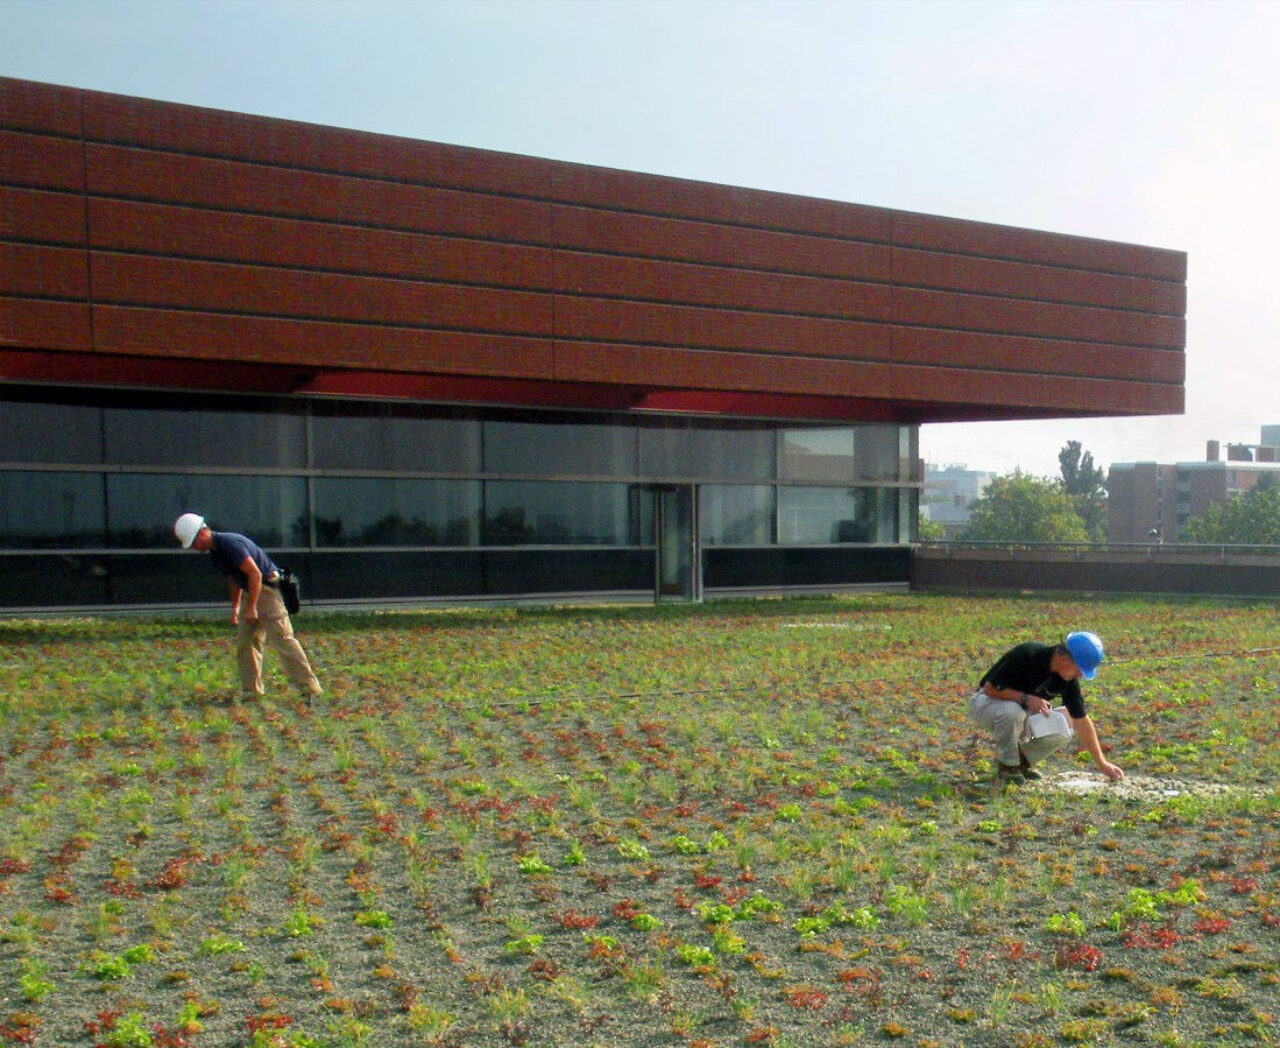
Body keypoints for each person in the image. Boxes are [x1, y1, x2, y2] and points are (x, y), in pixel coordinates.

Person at [174, 513, 322, 702]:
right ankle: (251, 692)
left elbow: (256, 574)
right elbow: (234, 580)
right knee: (247, 643)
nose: (194, 548)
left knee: (283, 639)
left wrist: (252, 608)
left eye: (194, 543)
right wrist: (236, 607)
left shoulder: (229, 545)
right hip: (250, 592)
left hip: (266, 590)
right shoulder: (216, 554)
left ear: (202, 532)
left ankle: (310, 688)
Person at [969, 631, 1123, 787]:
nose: (1080, 676)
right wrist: (1026, 698)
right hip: (986, 703)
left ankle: (1020, 764)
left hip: (1022, 713)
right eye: (1079, 670)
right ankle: (1007, 767)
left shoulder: (1067, 679)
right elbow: (990, 688)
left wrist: (1102, 764)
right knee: (1012, 712)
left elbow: (1081, 720)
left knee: (1067, 721)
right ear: (1063, 659)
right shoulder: (1028, 654)